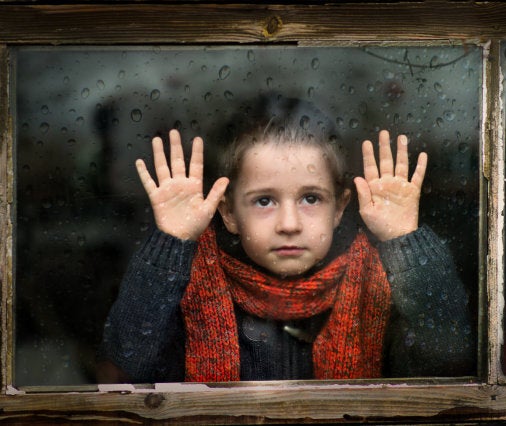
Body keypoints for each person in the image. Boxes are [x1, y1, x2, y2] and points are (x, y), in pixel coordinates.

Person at [97, 96, 474, 383]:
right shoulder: (188, 290)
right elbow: (130, 357)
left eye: (311, 198)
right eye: (264, 201)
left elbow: (449, 353)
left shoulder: (377, 286)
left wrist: (403, 241)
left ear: (340, 208)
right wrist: (172, 242)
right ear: (227, 212)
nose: (289, 224)